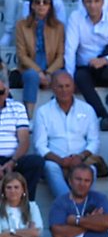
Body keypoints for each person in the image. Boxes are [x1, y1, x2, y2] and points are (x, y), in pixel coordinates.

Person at [65, 0, 108, 132]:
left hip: (107, 66)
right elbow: (70, 49)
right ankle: (103, 116)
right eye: (88, 1)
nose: (92, 5)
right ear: (83, 2)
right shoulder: (76, 18)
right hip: (86, 68)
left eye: (96, 1)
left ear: (103, 2)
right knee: (79, 76)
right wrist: (70, 79)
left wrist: (104, 60)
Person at [32, 71, 101, 203]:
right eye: (60, 86)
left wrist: (80, 157)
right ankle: (69, 205)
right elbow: (39, 145)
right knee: (50, 167)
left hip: (81, 158)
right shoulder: (43, 111)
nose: (64, 90)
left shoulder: (87, 109)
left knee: (91, 169)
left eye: (67, 86)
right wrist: (60, 161)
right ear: (53, 88)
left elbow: (94, 141)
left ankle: (85, 206)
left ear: (73, 87)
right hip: (55, 160)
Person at [15, 0, 65, 122]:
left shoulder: (59, 27)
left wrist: (48, 73)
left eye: (45, 2)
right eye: (37, 2)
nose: (41, 5)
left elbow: (60, 56)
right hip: (30, 68)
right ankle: (28, 117)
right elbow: (21, 55)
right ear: (32, 5)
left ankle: (62, 116)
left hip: (51, 68)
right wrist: (38, 72)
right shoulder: (21, 25)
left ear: (50, 5)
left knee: (62, 78)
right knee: (31, 76)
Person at [0, 77, 44, 203]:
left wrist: (12, 162)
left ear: (7, 91)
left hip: (13, 159)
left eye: (0, 92)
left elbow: (24, 140)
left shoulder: (17, 107)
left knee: (36, 162)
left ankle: (26, 204)